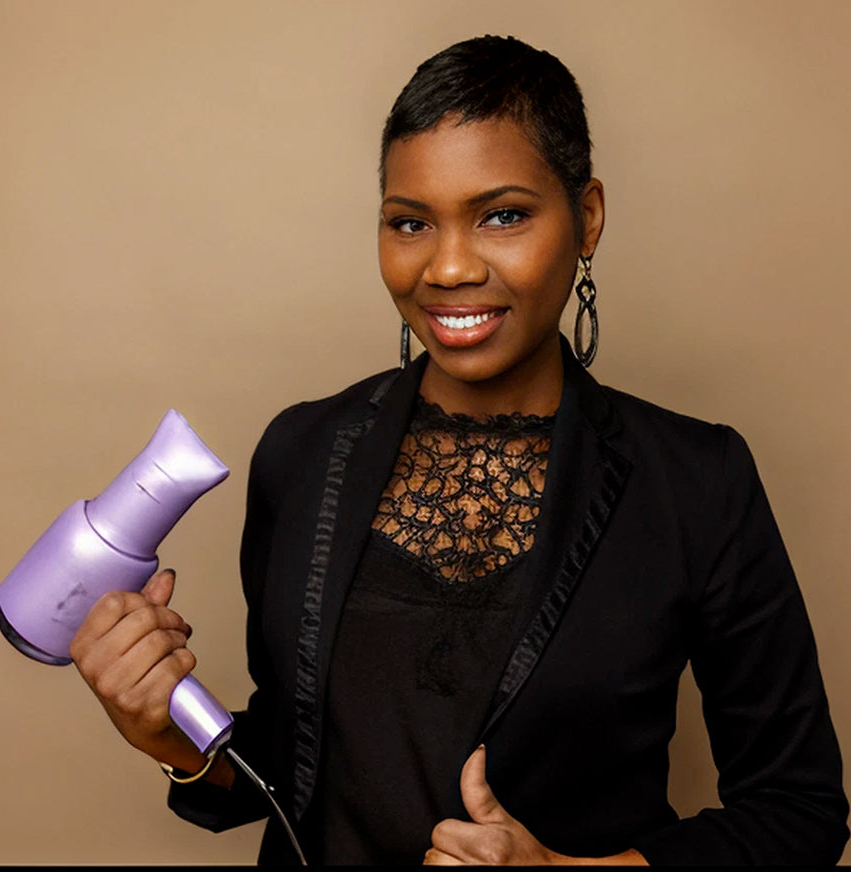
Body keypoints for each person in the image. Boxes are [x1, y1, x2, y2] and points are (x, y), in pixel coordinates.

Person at [69, 35, 849, 865]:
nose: (446, 268)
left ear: (586, 218)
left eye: (502, 215)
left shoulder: (697, 482)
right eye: (411, 223)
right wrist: (164, 734)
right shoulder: (301, 453)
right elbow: (290, 766)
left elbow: (797, 810)